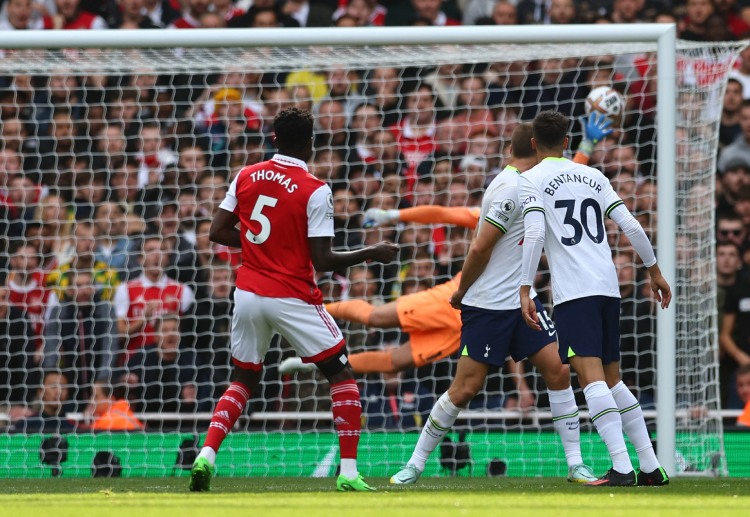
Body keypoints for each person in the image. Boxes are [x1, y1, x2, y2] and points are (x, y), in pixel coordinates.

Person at [279, 114, 613, 377]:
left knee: (398, 362)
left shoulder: (542, 193)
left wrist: (585, 146)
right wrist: (393, 214)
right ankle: (307, 310)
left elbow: (564, 176)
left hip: (496, 310)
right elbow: (443, 213)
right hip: (464, 299)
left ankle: (315, 365)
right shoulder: (504, 201)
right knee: (377, 317)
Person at [189, 107, 398, 493]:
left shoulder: (246, 174)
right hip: (291, 295)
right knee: (341, 374)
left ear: (273, 139)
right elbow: (322, 259)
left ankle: (206, 455)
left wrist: (259, 247)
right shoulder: (315, 188)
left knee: (244, 377)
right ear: (311, 144)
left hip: (248, 293)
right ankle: (349, 472)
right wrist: (372, 252)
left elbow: (217, 231)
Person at [389, 123, 595, 485]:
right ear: (535, 148)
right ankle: (415, 463)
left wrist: (588, 146)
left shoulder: (532, 181)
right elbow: (480, 247)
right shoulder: (508, 188)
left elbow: (569, 175)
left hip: (522, 302)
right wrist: (460, 291)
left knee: (558, 370)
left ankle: (576, 464)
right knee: (465, 389)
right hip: (487, 305)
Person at [518, 110, 672, 487]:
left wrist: (524, 287)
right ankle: (651, 467)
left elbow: (535, 236)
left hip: (574, 292)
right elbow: (631, 225)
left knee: (591, 381)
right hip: (607, 288)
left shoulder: (530, 180)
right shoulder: (594, 175)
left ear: (535, 144)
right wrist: (653, 270)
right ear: (568, 142)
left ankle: (621, 467)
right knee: (612, 379)